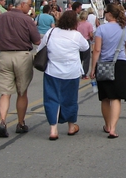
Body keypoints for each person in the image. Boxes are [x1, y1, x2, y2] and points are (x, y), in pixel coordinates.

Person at [0, 0, 41, 138]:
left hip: (5, 55)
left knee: (5, 92)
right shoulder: (27, 20)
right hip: (22, 56)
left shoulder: (2, 17)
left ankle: (2, 121)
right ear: (22, 4)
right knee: (22, 91)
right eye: (30, 5)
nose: (30, 8)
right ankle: (20, 123)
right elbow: (37, 40)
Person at [38, 10, 89, 140]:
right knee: (70, 99)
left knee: (51, 99)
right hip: (71, 73)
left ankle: (53, 129)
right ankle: (71, 126)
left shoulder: (51, 32)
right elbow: (85, 47)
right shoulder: (76, 35)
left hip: (52, 71)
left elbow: (40, 48)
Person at [90, 3, 126, 139]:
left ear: (109, 14)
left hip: (103, 64)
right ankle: (113, 128)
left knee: (105, 97)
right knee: (116, 97)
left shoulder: (101, 29)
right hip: (119, 64)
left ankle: (107, 125)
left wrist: (93, 68)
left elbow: (97, 50)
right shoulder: (124, 29)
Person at [77, 10, 94, 78]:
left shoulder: (77, 24)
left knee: (79, 58)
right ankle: (84, 74)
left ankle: (78, 71)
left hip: (78, 41)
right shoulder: (88, 24)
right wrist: (91, 37)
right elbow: (90, 34)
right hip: (86, 41)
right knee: (86, 59)